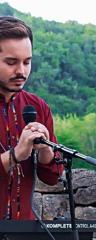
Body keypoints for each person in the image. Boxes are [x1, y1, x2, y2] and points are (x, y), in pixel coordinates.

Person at [0, 16, 64, 220]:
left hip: (25, 228)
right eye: (11, 62)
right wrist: (16, 154)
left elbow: (53, 177)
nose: (21, 71)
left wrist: (45, 148)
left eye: (27, 62)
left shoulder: (38, 107)